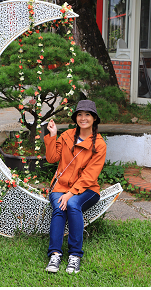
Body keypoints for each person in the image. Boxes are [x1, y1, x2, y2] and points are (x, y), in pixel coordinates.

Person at [43, 99, 106, 274]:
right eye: (80, 114)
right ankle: (55, 254)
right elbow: (52, 158)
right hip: (60, 186)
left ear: (94, 118)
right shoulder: (67, 136)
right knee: (59, 208)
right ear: (75, 117)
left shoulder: (99, 145)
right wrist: (53, 135)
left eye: (87, 114)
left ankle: (75, 255)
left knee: (71, 204)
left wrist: (70, 194)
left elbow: (89, 176)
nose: (83, 118)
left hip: (88, 189)